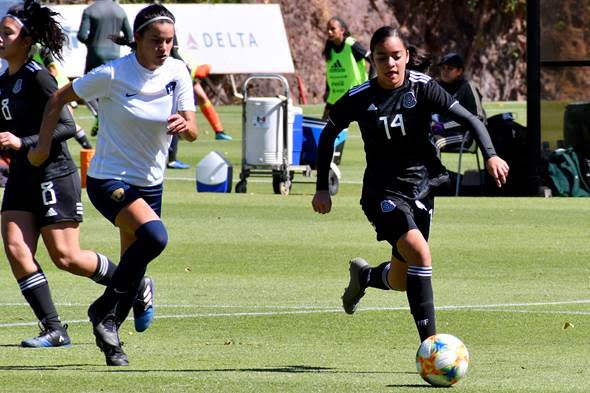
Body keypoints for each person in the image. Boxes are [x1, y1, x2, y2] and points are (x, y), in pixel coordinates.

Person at [311, 26, 509, 344]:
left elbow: (472, 119)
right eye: (381, 58)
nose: (390, 64)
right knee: (421, 252)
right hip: (382, 193)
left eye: (395, 56)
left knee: (401, 278)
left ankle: (365, 276)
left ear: (406, 57)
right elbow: (328, 134)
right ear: (371, 61)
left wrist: (491, 155)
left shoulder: (422, 88)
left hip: (422, 188)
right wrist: (322, 187)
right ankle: (430, 347)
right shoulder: (361, 97)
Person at [29, 3, 197, 366]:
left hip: (152, 183)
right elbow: (59, 97)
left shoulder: (178, 71)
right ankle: (104, 308)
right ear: (136, 40)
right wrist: (43, 145)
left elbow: (194, 128)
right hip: (109, 179)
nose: (164, 47)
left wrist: (186, 127)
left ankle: (111, 338)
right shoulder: (112, 73)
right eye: (156, 40)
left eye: (169, 41)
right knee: (155, 238)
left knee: (132, 264)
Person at [0, 0, 153, 349]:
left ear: (27, 40)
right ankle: (53, 329)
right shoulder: (2, 84)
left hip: (54, 174)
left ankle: (135, 283)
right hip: (22, 177)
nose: (0, 39)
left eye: (6, 33)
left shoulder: (38, 76)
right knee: (15, 247)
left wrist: (21, 141)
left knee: (66, 257)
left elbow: (66, 125)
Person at [77, 0, 133, 136]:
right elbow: (129, 36)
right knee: (112, 91)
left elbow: (82, 35)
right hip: (114, 55)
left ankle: (99, 115)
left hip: (95, 54)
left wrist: (93, 42)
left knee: (84, 88)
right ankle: (114, 123)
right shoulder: (120, 10)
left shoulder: (90, 10)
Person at [32, 44, 93, 149]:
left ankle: (89, 151)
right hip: (52, 91)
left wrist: (44, 84)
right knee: (62, 124)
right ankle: (88, 150)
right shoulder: (29, 49)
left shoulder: (39, 47)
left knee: (66, 124)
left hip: (59, 90)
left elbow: (53, 70)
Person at [432, 52, 487, 151]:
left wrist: (445, 126)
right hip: (439, 132)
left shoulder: (468, 87)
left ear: (459, 71)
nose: (445, 71)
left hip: (465, 136)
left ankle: (434, 167)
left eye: (450, 69)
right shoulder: (436, 86)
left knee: (435, 142)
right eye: (443, 68)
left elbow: (478, 117)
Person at [322, 17, 370, 120]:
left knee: (367, 124)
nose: (329, 32)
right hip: (335, 93)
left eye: (333, 29)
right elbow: (329, 71)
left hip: (354, 93)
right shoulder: (329, 47)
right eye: (328, 29)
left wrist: (371, 83)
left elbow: (373, 59)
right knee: (324, 124)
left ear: (342, 30)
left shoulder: (351, 44)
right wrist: (327, 90)